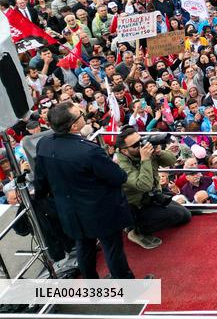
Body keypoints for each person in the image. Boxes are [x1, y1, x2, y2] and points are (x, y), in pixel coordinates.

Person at [32, 101, 136, 279]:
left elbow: (41, 181)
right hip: (100, 211)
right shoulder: (88, 151)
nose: (83, 115)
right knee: (112, 249)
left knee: (84, 248)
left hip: (70, 212)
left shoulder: (44, 144)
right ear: (73, 126)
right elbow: (118, 177)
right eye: (80, 114)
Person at [115, 126, 191, 248]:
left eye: (140, 141)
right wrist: (145, 159)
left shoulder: (142, 153)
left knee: (185, 216)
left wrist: (159, 152)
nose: (140, 146)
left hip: (152, 198)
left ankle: (137, 225)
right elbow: (144, 185)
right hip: (136, 207)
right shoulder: (121, 165)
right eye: (135, 145)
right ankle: (135, 231)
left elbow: (171, 161)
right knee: (177, 215)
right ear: (124, 151)